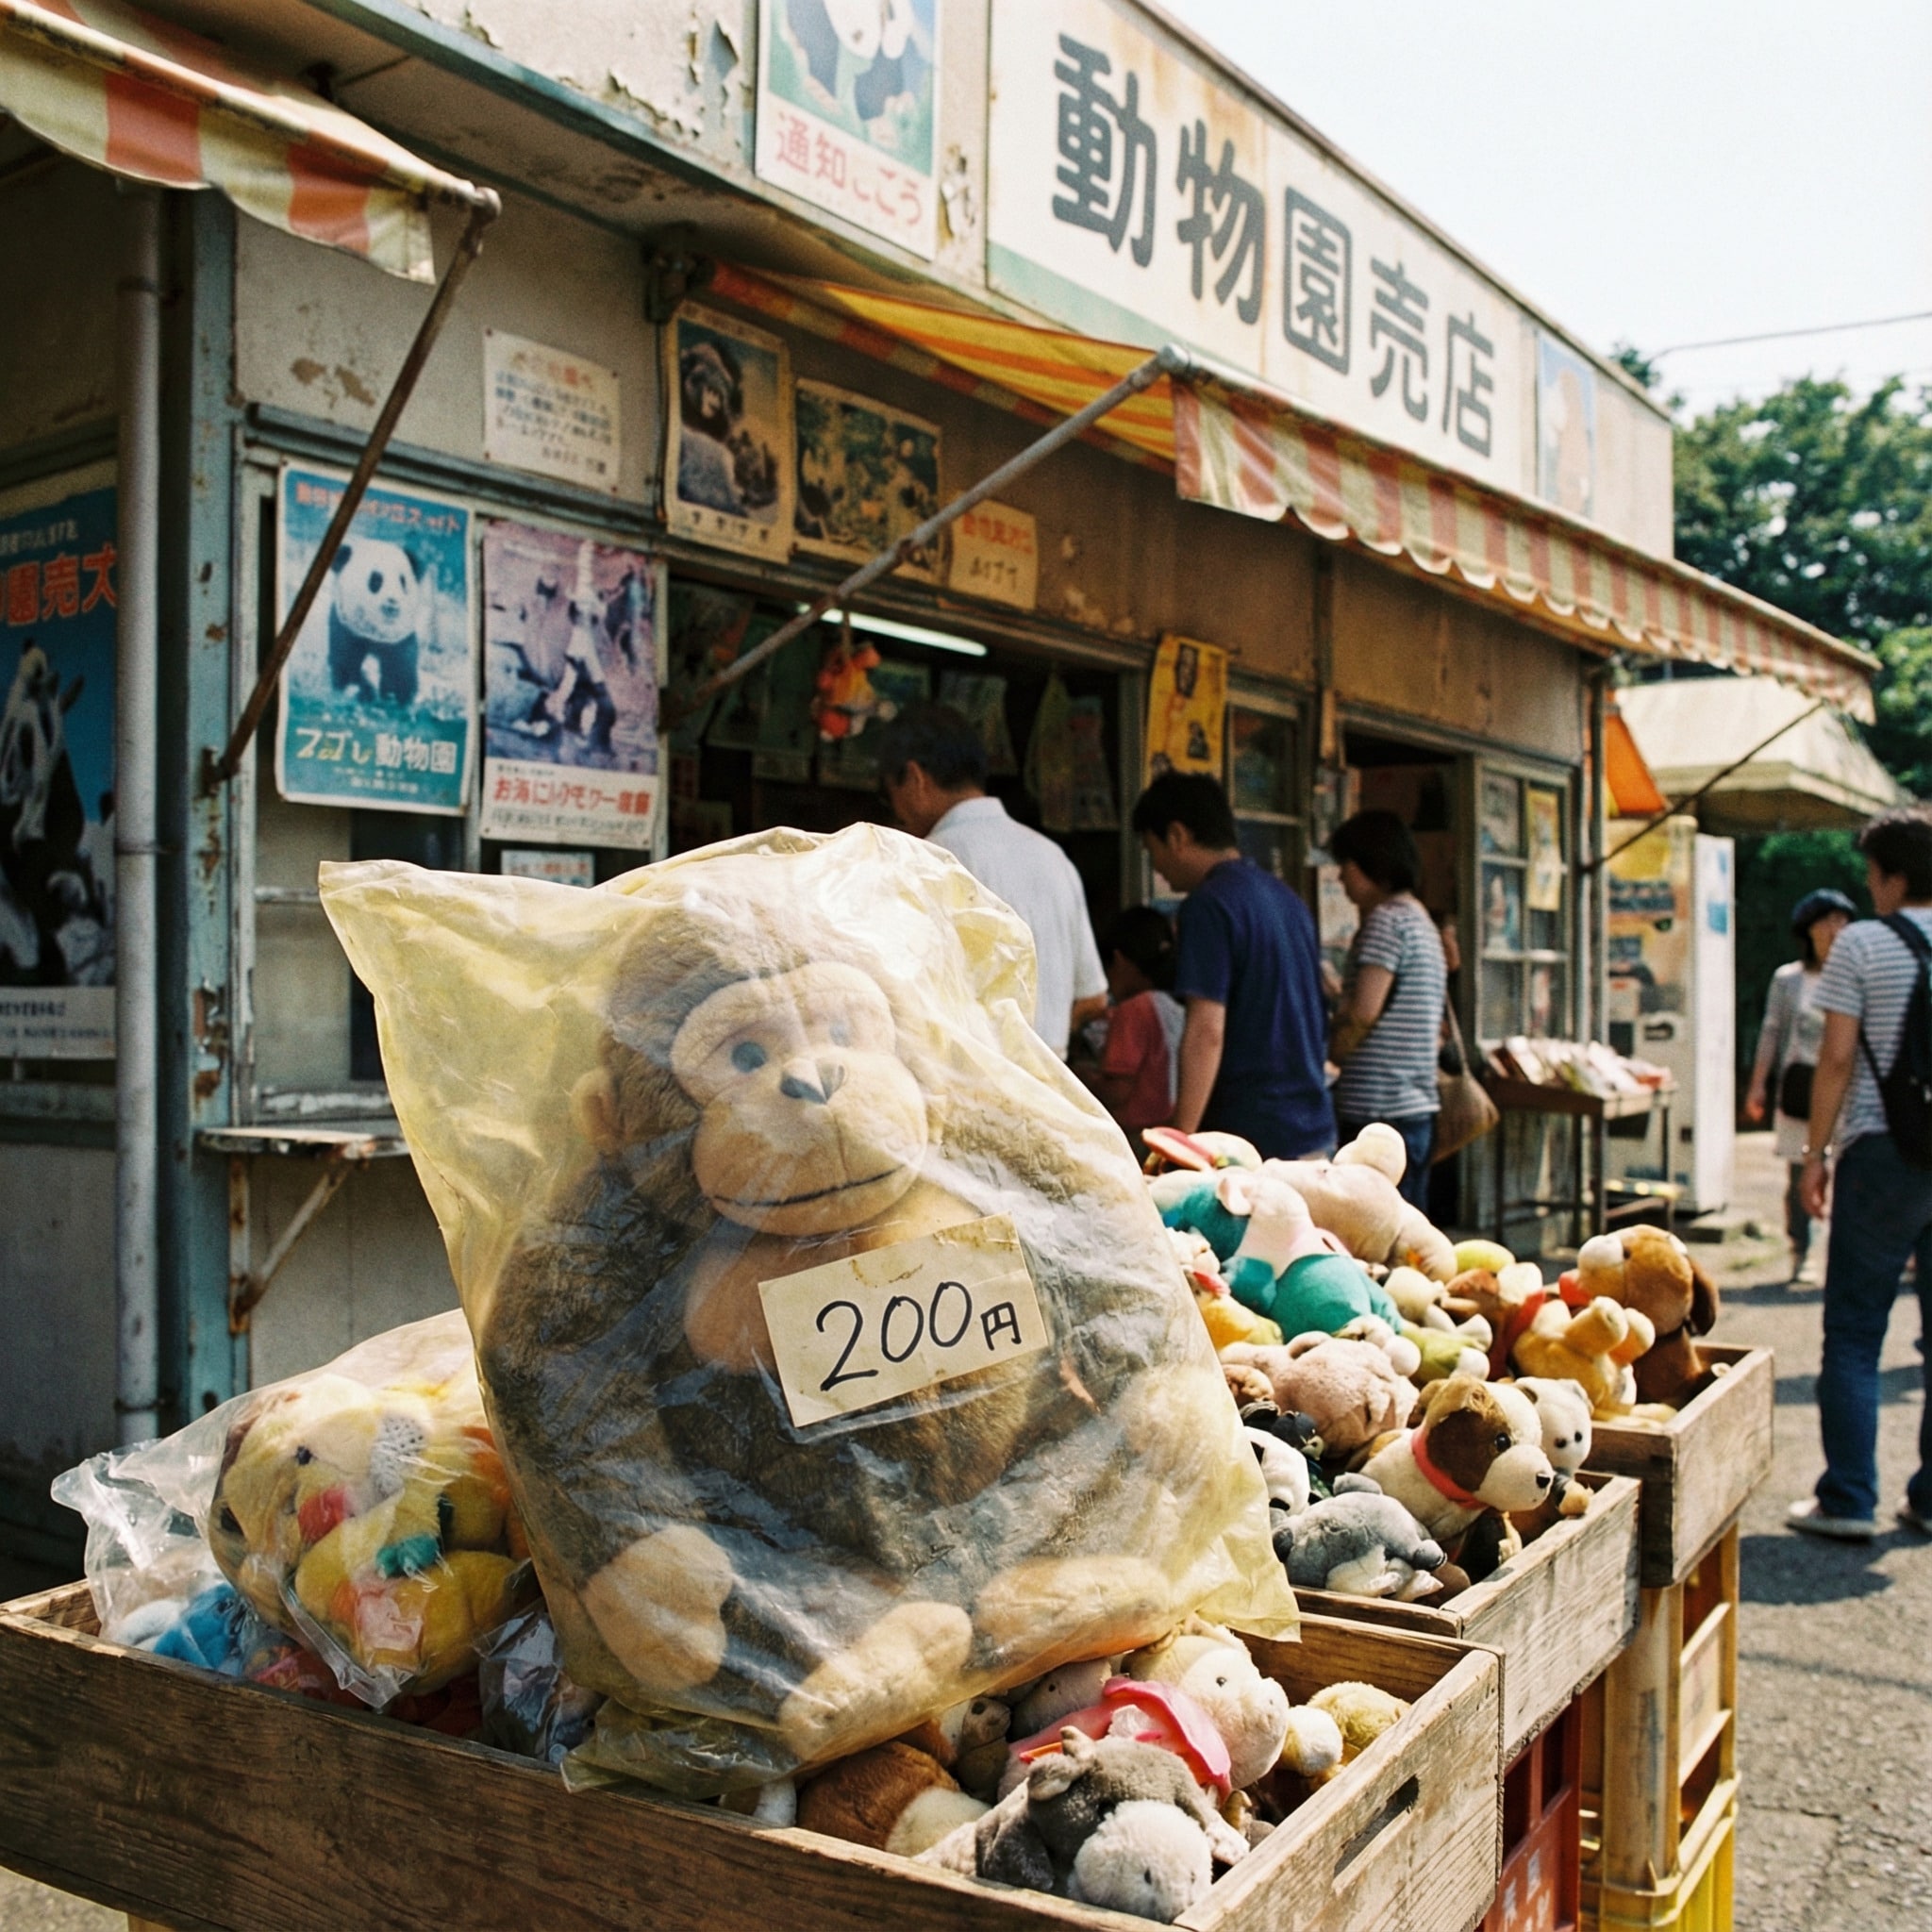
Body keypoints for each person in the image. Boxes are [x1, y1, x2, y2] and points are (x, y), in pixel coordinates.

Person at [1790, 809, 1932, 1541]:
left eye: (1874, 874)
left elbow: (1837, 1060)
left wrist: (1814, 1158)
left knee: (1853, 1330)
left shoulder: (1863, 945)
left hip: (1883, 1151)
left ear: (1893, 876)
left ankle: (1849, 1497)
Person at [874, 701, 1107, 1058]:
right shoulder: (1054, 858)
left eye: (892, 795)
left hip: (963, 1088)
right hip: (1050, 1094)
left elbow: (894, 993)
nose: (898, 813)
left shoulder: (924, 860)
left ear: (916, 778)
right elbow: (1092, 998)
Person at [1131, 772, 1334, 1158]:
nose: (1156, 867)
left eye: (1151, 849)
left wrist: (1179, 1141)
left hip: (1252, 1138)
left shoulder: (1209, 904)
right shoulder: (1287, 898)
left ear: (1177, 836)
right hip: (1313, 1126)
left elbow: (1206, 1030)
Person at [1326, 810, 1447, 1208]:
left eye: (1346, 864)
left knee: (1376, 1234)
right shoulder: (1420, 921)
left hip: (1379, 1112)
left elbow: (1365, 1011)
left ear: (1372, 863)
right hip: (1413, 1106)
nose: (1340, 877)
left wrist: (1335, 1051)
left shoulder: (1385, 922)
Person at [1744, 887, 1857, 1283]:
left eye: (1842, 921)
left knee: (1850, 1171)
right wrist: (1758, 1085)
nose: (1835, 929)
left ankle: (1844, 1253)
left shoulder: (1857, 972)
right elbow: (1771, 1033)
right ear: (1807, 930)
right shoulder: (1789, 979)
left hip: (1849, 1089)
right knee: (1799, 1173)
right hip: (1800, 1087)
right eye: (1826, 921)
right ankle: (1802, 1251)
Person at [1080, 906, 1185, 1136]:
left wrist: (1079, 1076)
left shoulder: (1133, 1011)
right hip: (1172, 1128)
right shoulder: (1176, 1007)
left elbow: (1118, 1092)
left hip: (1136, 1136)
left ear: (1118, 960)